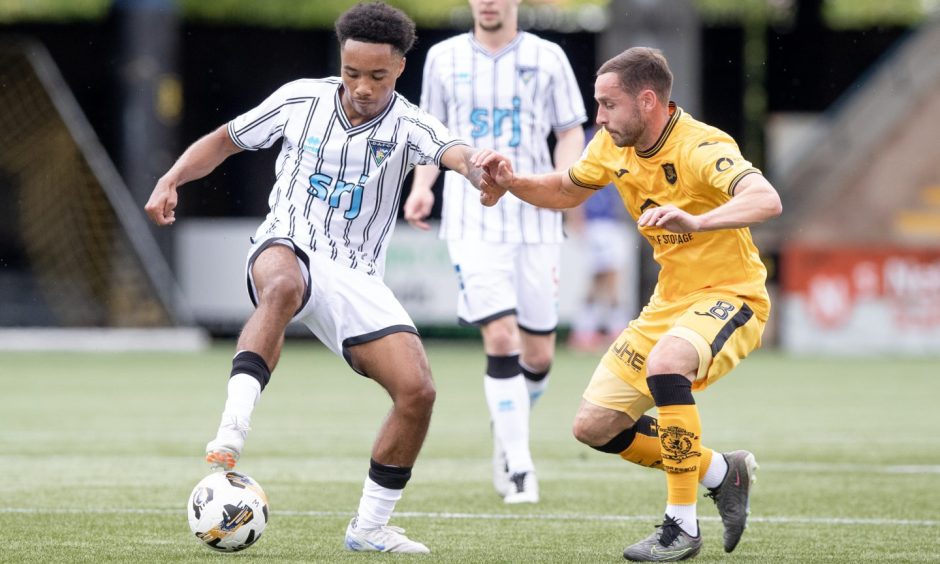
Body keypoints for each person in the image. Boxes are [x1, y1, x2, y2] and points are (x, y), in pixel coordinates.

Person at [144, 2, 493, 554]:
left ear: (400, 68)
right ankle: (233, 428)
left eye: (376, 76)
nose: (361, 87)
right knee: (283, 287)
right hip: (285, 241)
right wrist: (171, 178)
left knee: (417, 392)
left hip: (356, 274)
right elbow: (224, 140)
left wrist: (480, 166)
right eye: (352, 73)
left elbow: (453, 152)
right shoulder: (299, 99)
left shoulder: (409, 124)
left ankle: (370, 527)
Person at [476, 46, 782, 561]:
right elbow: (566, 189)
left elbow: (766, 198)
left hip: (731, 295)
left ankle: (680, 527)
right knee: (594, 427)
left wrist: (699, 220)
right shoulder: (611, 146)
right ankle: (718, 472)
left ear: (647, 101)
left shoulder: (701, 146)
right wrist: (512, 184)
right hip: (669, 303)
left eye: (607, 105)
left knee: (667, 365)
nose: (599, 117)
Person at [403, 0, 586, 504]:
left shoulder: (548, 58)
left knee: (539, 356)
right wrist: (424, 188)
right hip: (472, 216)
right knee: (501, 339)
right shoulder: (442, 58)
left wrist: (563, 186)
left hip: (535, 214)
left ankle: (507, 432)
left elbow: (570, 130)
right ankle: (520, 465)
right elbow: (431, 137)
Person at [566, 181, 640, 353]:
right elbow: (575, 190)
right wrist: (576, 219)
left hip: (611, 225)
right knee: (607, 278)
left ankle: (585, 332)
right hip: (596, 225)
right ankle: (609, 330)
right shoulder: (589, 159)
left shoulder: (616, 162)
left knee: (602, 279)